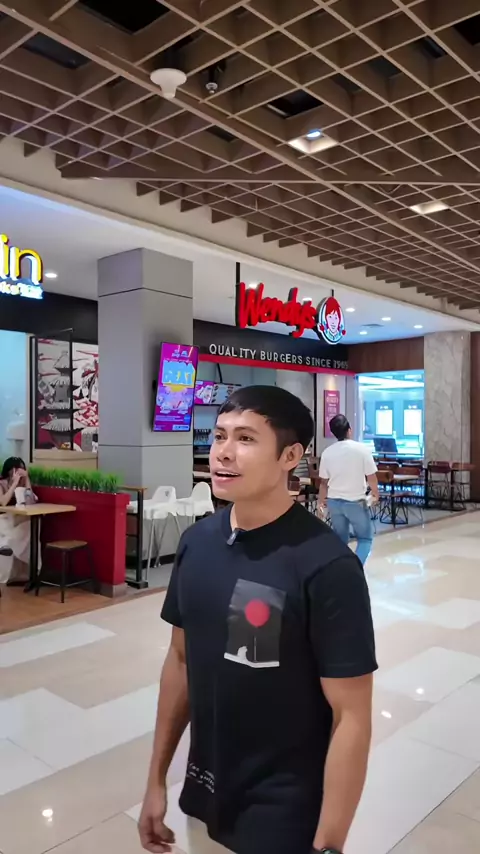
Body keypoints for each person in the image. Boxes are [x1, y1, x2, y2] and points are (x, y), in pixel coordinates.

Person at [139, 386, 377, 854]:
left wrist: (329, 844)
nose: (223, 452)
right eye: (220, 436)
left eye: (246, 438)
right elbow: (181, 661)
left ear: (290, 456)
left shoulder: (326, 566)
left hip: (283, 812)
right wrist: (156, 779)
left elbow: (352, 715)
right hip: (204, 792)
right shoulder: (197, 543)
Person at [319, 415, 379, 566]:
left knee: (340, 540)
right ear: (349, 430)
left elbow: (324, 483)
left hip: (334, 502)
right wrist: (375, 494)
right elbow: (371, 476)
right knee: (365, 539)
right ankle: (354, 570)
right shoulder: (362, 450)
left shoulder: (327, 452)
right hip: (355, 502)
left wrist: (321, 502)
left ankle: (341, 569)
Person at [0, 457, 37, 584]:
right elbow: (3, 502)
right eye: (17, 469)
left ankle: (29, 573)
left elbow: (31, 502)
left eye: (22, 469)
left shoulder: (23, 484)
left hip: (18, 519)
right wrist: (14, 483)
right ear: (10, 471)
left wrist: (27, 480)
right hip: (4, 520)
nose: (20, 472)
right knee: (24, 529)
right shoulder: (1, 483)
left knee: (31, 526)